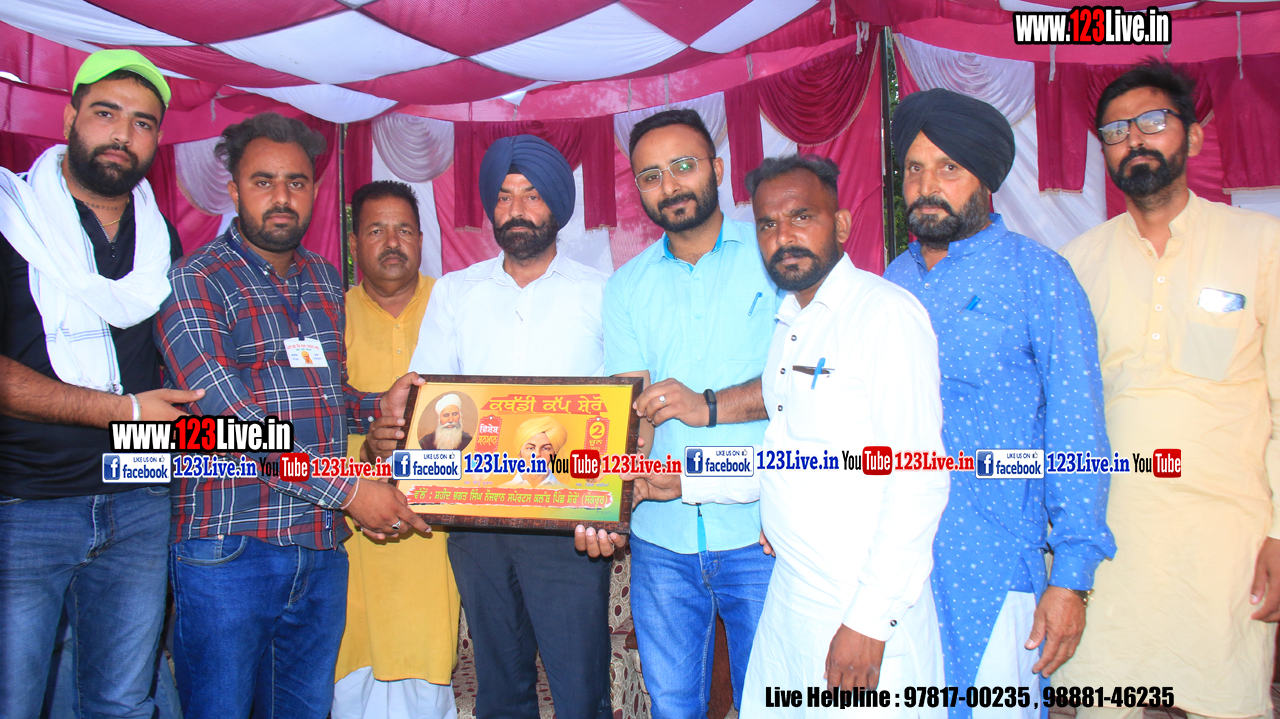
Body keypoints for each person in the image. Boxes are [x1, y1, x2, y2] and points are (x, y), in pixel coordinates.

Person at [155, 113, 430, 718]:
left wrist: (379, 406)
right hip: (231, 546)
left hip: (320, 547)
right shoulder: (194, 281)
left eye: (297, 182)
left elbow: (327, 397)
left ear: (314, 191)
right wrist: (351, 491)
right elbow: (229, 421)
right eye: (264, 181)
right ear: (234, 191)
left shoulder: (325, 280)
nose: (282, 197)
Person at [1055, 59, 1280, 719]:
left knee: (1226, 701)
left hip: (1227, 538)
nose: (1134, 139)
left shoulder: (1261, 245)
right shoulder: (1077, 263)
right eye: (1116, 130)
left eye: (1152, 121)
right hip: (1114, 540)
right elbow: (1063, 412)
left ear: (1194, 136)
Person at [881, 88, 1115, 716]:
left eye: (949, 168)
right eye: (914, 168)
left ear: (985, 179)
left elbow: (1077, 432)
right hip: (896, 570)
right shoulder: (889, 287)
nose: (926, 186)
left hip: (995, 562)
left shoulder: (1039, 276)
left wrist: (1071, 578)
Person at [0, 49, 204, 718]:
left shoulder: (158, 236)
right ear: (69, 118)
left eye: (143, 123)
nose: (123, 134)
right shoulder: (11, 218)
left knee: (120, 701)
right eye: (106, 114)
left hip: (137, 502)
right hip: (25, 504)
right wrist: (123, 411)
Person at [408, 134, 613, 719]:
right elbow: (430, 403)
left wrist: (606, 503)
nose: (516, 209)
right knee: (499, 690)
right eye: (503, 197)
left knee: (580, 692)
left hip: (570, 523)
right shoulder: (455, 292)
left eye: (532, 195)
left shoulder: (602, 293)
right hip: (477, 522)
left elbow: (620, 411)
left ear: (558, 207)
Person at [739, 155, 949, 717]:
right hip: (791, 603)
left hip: (858, 610)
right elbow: (789, 456)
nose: (783, 237)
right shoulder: (791, 322)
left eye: (801, 217)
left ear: (841, 224)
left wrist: (868, 622)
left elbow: (919, 479)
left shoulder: (883, 315)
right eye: (767, 223)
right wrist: (678, 483)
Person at [600, 108, 779, 718]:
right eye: (650, 175)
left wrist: (708, 406)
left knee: (771, 704)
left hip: (763, 529)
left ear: (717, 169)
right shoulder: (626, 287)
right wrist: (607, 501)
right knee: (673, 706)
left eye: (683, 166)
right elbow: (629, 417)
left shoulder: (773, 258)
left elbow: (804, 386)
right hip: (662, 539)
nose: (669, 185)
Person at [331, 181, 459, 719]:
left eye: (404, 230)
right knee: (352, 669)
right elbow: (313, 423)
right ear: (353, 243)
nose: (391, 243)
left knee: (426, 666)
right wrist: (365, 452)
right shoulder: (328, 315)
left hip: (438, 529)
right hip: (353, 526)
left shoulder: (454, 305)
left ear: (422, 240)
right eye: (376, 230)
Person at [498, 416, 569, 489]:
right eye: (530, 448)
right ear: (520, 453)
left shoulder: (569, 492)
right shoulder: (499, 491)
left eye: (546, 448)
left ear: (554, 454)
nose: (537, 454)